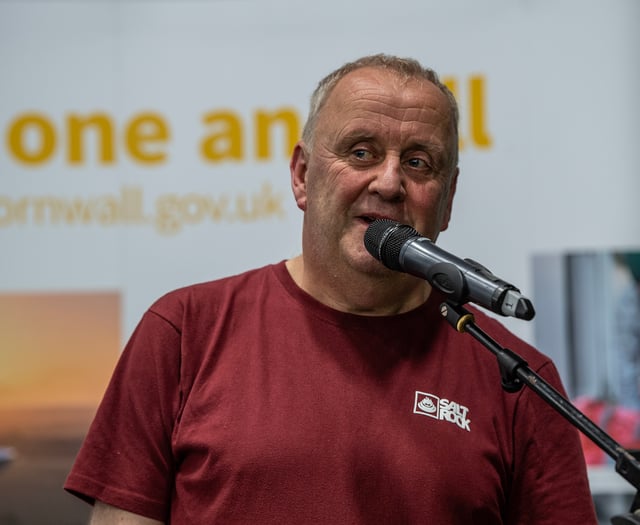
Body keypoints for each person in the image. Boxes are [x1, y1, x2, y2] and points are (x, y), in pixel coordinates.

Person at [65, 54, 597, 524]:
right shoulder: (184, 332)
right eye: (361, 153)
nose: (388, 183)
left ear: (448, 199)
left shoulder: (520, 381)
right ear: (302, 175)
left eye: (418, 163)